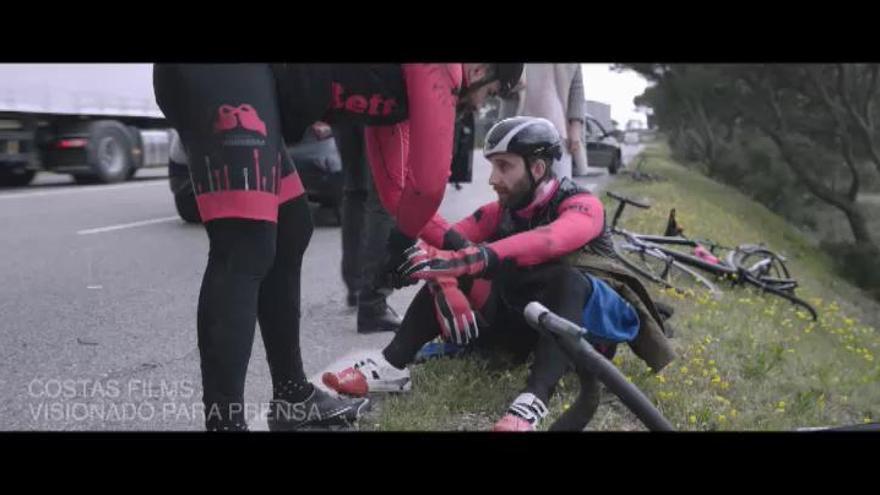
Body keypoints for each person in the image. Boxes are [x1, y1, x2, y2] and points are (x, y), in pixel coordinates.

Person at [152, 63, 524, 431]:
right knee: (246, 244)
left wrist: (463, 250)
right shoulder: (441, 70)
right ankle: (225, 425)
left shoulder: (405, 87)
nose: (480, 104)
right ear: (479, 71)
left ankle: (292, 399)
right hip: (222, 74)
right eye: (490, 93)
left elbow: (398, 189)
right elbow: (427, 185)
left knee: (291, 227)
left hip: (244, 80)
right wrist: (404, 241)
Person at [322, 117, 645, 432]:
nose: (492, 178)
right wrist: (443, 278)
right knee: (455, 265)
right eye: (492, 166)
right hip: (527, 328)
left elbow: (549, 240)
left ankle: (534, 399)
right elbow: (444, 243)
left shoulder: (582, 205)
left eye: (504, 166)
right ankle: (392, 364)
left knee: (567, 280)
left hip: (585, 334)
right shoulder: (502, 210)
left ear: (537, 168)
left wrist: (470, 260)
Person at [333, 120, 402, 333]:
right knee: (383, 194)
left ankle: (356, 286)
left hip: (347, 102)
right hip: (380, 103)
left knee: (355, 191)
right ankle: (373, 301)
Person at [501, 64, 589, 178]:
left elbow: (577, 89)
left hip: (559, 134)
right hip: (519, 132)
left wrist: (576, 128)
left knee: (559, 187)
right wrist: (511, 82)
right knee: (519, 188)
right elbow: (499, 82)